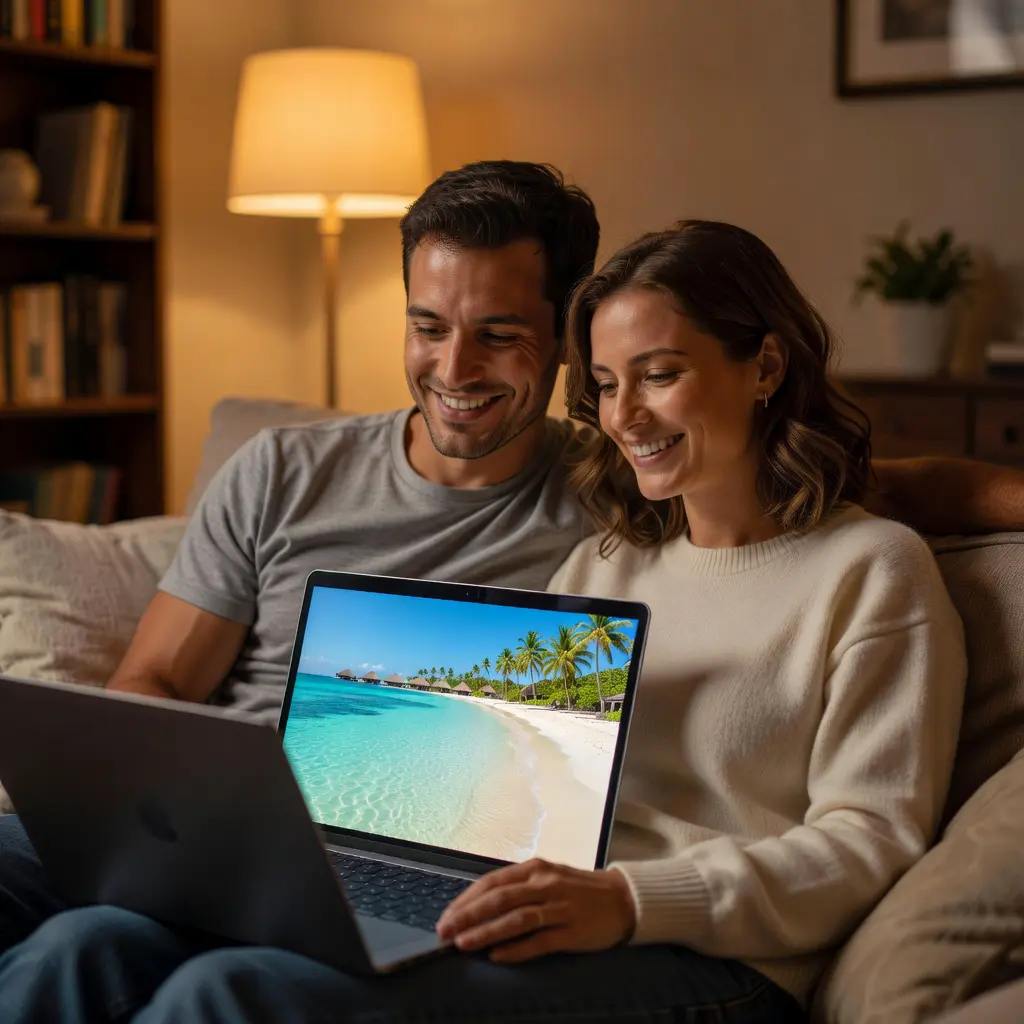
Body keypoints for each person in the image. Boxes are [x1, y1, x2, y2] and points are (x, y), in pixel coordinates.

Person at [0, 177, 1016, 1020]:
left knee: (230, 991)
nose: (626, 417)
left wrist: (625, 897)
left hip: (707, 953)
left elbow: (869, 838)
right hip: (531, 901)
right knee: (85, 948)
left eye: (658, 375)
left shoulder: (872, 571)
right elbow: (508, 788)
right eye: (609, 386)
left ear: (766, 367)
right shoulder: (609, 557)